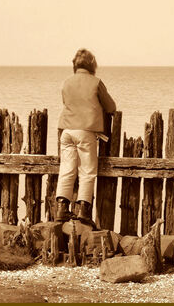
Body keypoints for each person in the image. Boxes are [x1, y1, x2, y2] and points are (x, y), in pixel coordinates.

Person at [55, 48, 116, 227]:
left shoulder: (66, 83)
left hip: (66, 131)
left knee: (66, 170)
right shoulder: (96, 83)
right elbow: (111, 106)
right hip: (85, 132)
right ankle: (83, 211)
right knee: (87, 172)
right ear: (92, 65)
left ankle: (61, 209)